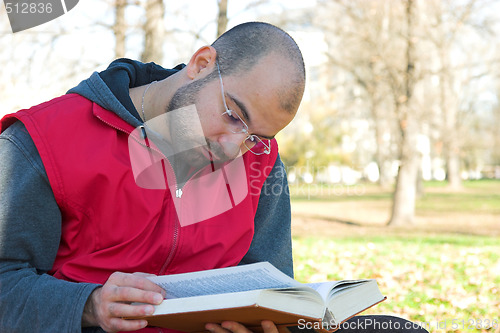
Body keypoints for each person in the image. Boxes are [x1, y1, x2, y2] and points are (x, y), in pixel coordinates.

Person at [0, 21, 427, 333]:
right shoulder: (42, 140)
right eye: (233, 116)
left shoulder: (260, 160)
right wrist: (88, 306)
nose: (232, 148)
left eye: (256, 136)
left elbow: (273, 287)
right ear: (202, 64)